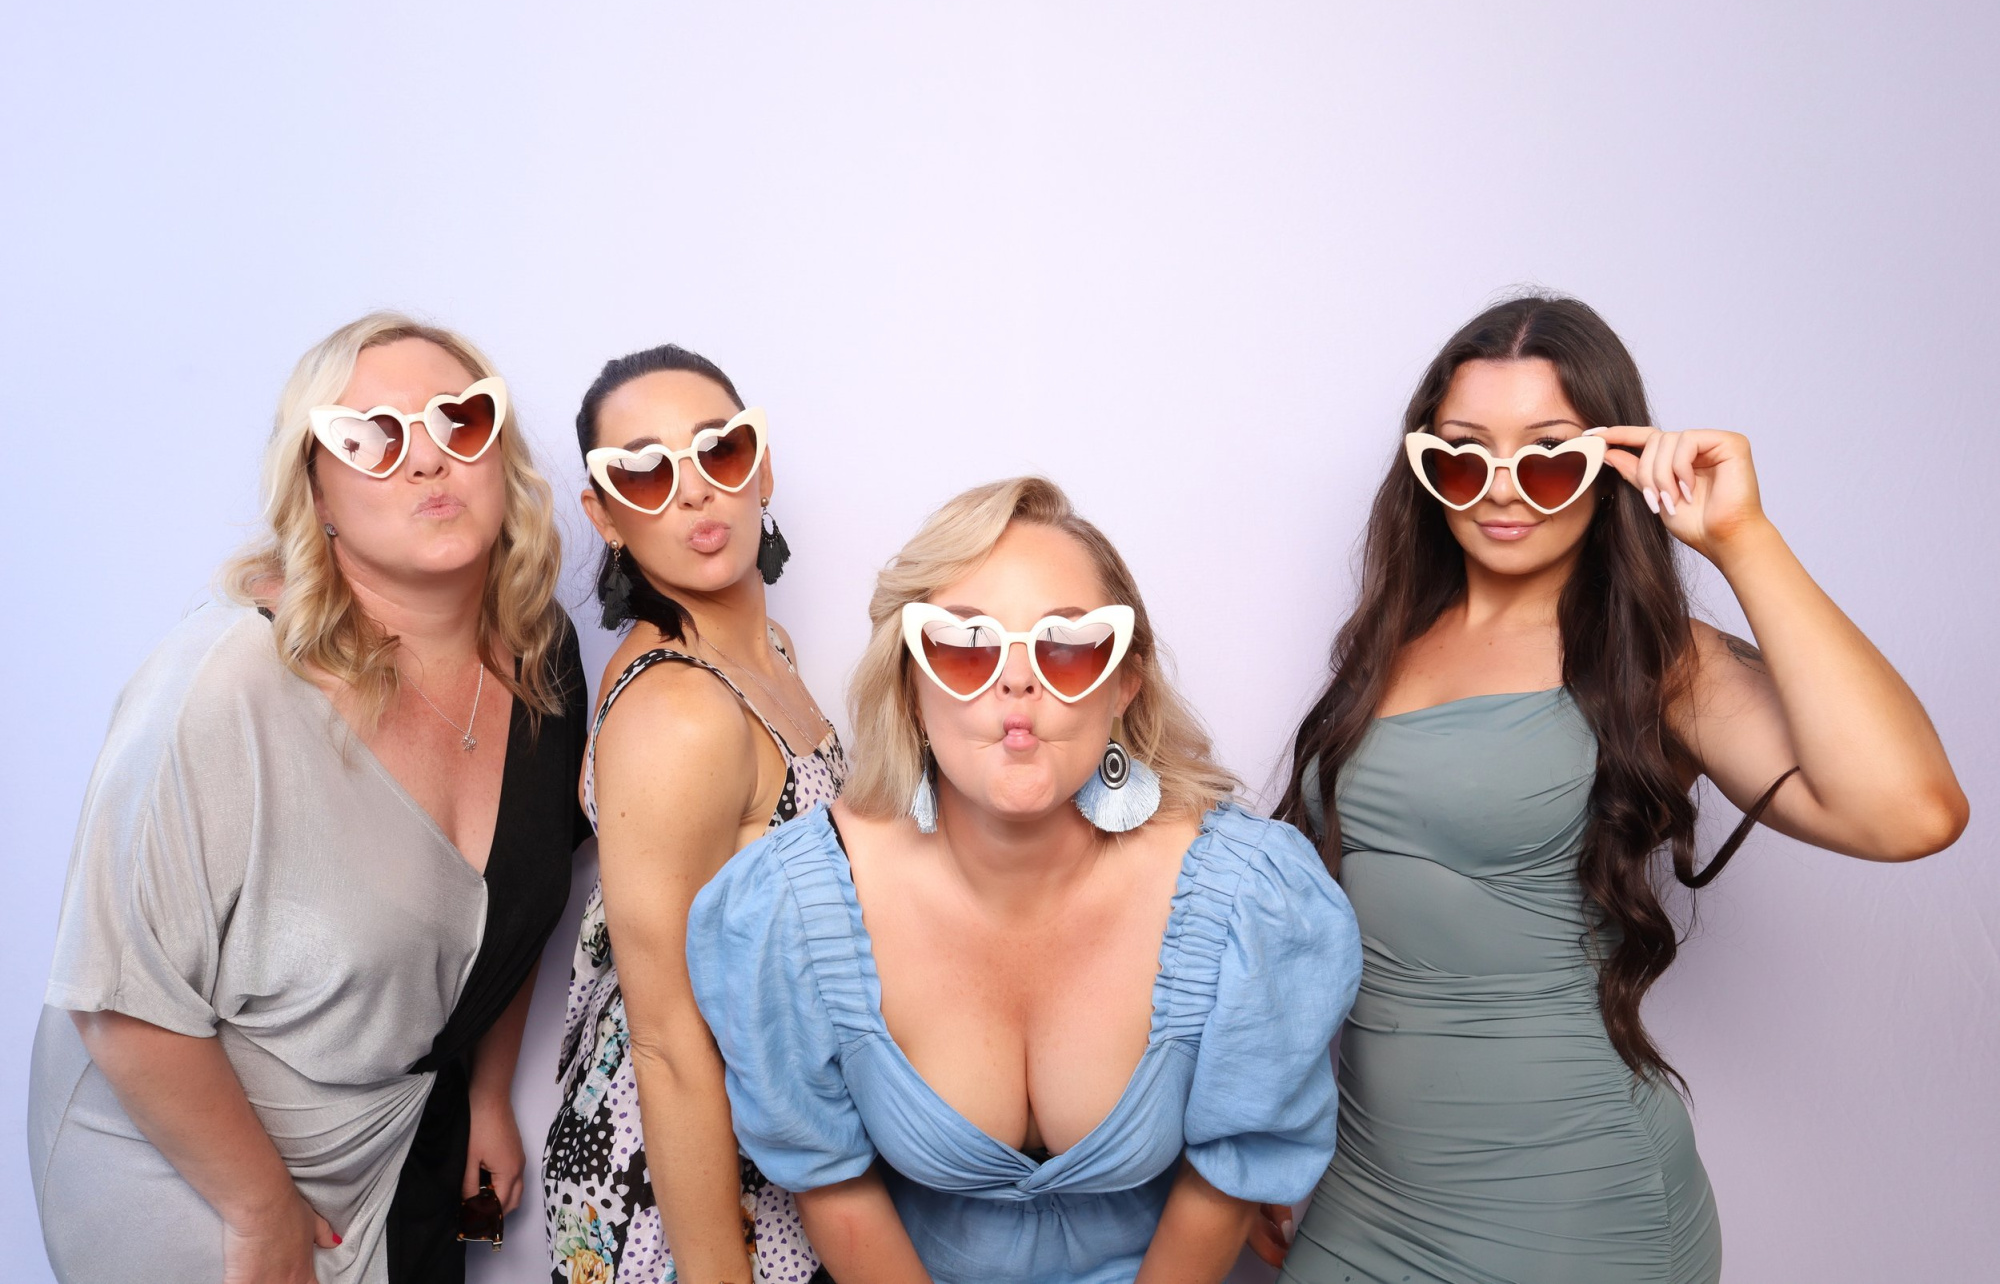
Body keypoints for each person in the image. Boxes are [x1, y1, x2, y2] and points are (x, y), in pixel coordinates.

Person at [1263, 294, 1969, 1284]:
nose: (1500, 490)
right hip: (1367, 1191)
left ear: (1608, 463)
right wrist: (1261, 1130)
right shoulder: (1384, 643)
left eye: (1547, 454)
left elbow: (1911, 813)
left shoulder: (1657, 662)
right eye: (1462, 454)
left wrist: (1742, 539)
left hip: (1572, 1208)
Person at [686, 476, 1363, 1284]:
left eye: (1069, 647)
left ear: (1124, 683)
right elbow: (832, 1181)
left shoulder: (1251, 900)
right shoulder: (793, 907)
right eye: (965, 645)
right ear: (910, 680)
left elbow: (1229, 1177)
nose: (1017, 682)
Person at [28, 312, 589, 1284]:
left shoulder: (539, 651)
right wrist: (256, 1207)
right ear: (314, 486)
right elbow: (117, 996)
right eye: (370, 437)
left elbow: (522, 890)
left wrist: (487, 1088)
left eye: (460, 421)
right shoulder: (222, 685)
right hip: (190, 1172)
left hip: (396, 1141)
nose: (426, 462)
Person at [543, 345, 844, 1284]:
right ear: (604, 515)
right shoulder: (678, 712)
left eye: (719, 451)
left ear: (758, 466)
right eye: (644, 469)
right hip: (675, 1176)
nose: (693, 491)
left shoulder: (768, 652)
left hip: (769, 1134)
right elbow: (667, 1037)